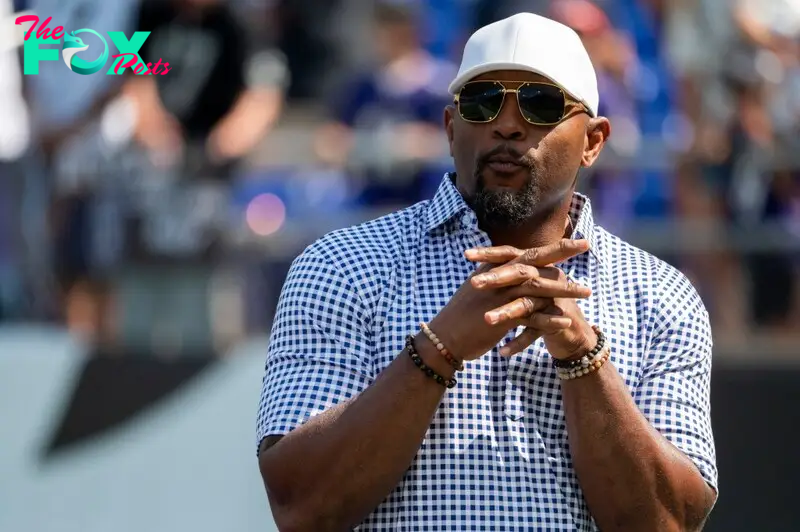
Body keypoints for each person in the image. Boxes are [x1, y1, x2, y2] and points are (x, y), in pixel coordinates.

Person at [256, 13, 717, 531]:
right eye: (483, 101)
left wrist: (584, 356)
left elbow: (670, 523)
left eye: (541, 104)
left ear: (593, 140)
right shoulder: (341, 266)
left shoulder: (659, 295)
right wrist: (438, 349)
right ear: (452, 129)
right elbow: (300, 508)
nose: (508, 123)